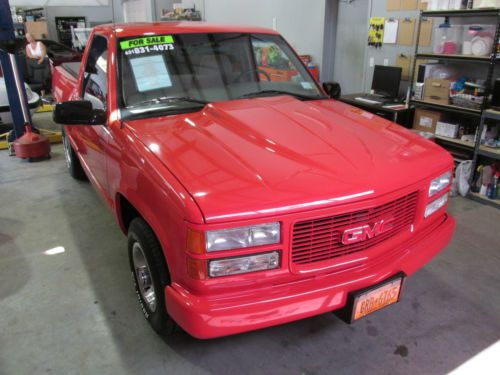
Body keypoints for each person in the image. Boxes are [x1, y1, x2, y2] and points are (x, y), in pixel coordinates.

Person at [25, 33, 50, 98]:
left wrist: (41, 59)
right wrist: (35, 57)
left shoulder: (40, 43)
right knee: (38, 78)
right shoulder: (28, 46)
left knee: (45, 76)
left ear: (33, 37)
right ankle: (41, 94)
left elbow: (44, 52)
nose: (28, 39)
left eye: (29, 37)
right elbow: (29, 55)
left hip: (43, 61)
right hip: (36, 63)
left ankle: (44, 94)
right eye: (27, 38)